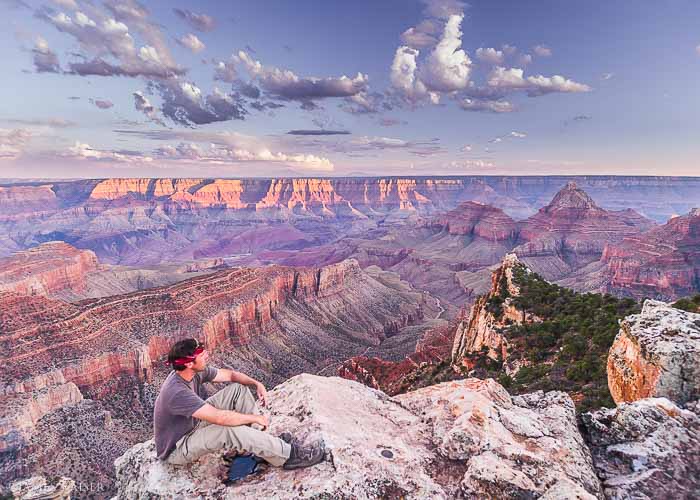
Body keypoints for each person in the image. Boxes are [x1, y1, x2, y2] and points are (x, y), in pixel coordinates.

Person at [153, 338, 324, 469]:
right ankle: (289, 456)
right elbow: (221, 418)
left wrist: (256, 383)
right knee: (229, 431)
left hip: (192, 425)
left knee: (237, 390)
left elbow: (231, 376)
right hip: (178, 447)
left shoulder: (192, 372)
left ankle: (262, 446)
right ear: (189, 363)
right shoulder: (176, 392)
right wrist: (255, 417)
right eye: (201, 354)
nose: (206, 355)